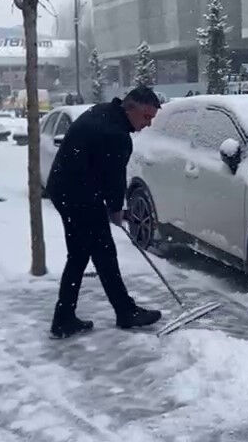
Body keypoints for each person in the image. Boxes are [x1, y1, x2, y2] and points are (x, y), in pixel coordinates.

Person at [46, 86, 162, 339]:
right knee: (90, 254)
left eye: (151, 118)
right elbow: (114, 179)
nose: (148, 124)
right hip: (79, 196)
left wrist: (110, 207)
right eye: (145, 117)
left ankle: (74, 316)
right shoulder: (116, 135)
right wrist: (115, 210)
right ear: (130, 108)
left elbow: (100, 167)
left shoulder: (105, 112)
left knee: (94, 253)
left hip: (67, 189)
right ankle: (116, 312)